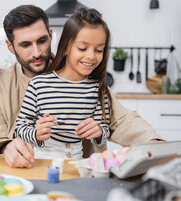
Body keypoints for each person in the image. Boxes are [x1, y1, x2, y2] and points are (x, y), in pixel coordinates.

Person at [0, 4, 162, 168]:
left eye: (42, 41)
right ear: (10, 47)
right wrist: (6, 147)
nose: (37, 52)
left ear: (51, 36)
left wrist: (151, 141)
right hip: (26, 174)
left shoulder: (83, 75)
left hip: (81, 173)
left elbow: (121, 120)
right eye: (25, 44)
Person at [14, 8, 112, 160]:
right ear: (66, 46)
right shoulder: (38, 84)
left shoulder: (97, 88)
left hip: (77, 162)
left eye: (99, 50)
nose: (91, 56)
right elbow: (19, 128)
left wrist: (98, 133)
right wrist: (36, 133)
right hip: (41, 161)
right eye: (82, 48)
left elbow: (105, 131)